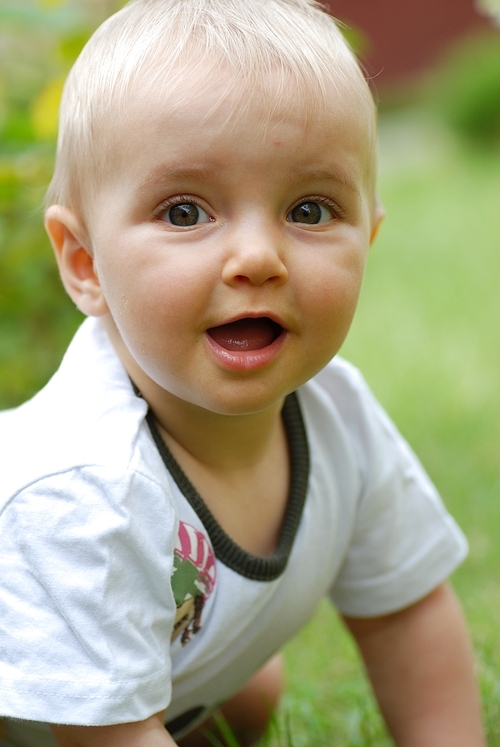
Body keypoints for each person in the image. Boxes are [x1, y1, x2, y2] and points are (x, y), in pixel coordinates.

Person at [0, 1, 485, 745]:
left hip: (142, 693)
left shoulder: (338, 415)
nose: (259, 257)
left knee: (252, 692)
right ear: (86, 263)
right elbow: (106, 736)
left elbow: (406, 609)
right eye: (187, 212)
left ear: (370, 234)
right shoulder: (83, 488)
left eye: (311, 209)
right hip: (59, 716)